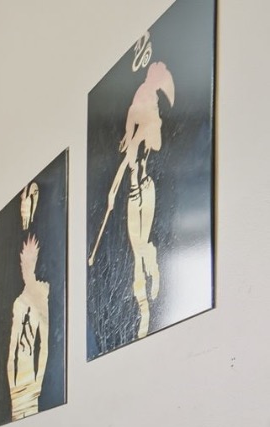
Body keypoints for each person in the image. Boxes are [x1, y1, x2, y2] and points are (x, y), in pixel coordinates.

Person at [91, 54, 176, 339]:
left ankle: (153, 269)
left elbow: (156, 143)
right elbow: (119, 173)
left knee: (140, 246)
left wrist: (145, 129)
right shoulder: (131, 145)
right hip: (131, 196)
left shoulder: (151, 134)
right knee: (136, 254)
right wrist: (111, 195)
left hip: (146, 190)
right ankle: (144, 310)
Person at [7, 235, 51, 421]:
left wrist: (38, 383)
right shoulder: (18, 303)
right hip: (18, 378)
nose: (26, 269)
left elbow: (44, 346)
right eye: (23, 264)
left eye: (29, 263)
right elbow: (12, 350)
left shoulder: (41, 298)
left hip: (31, 376)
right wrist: (12, 386)